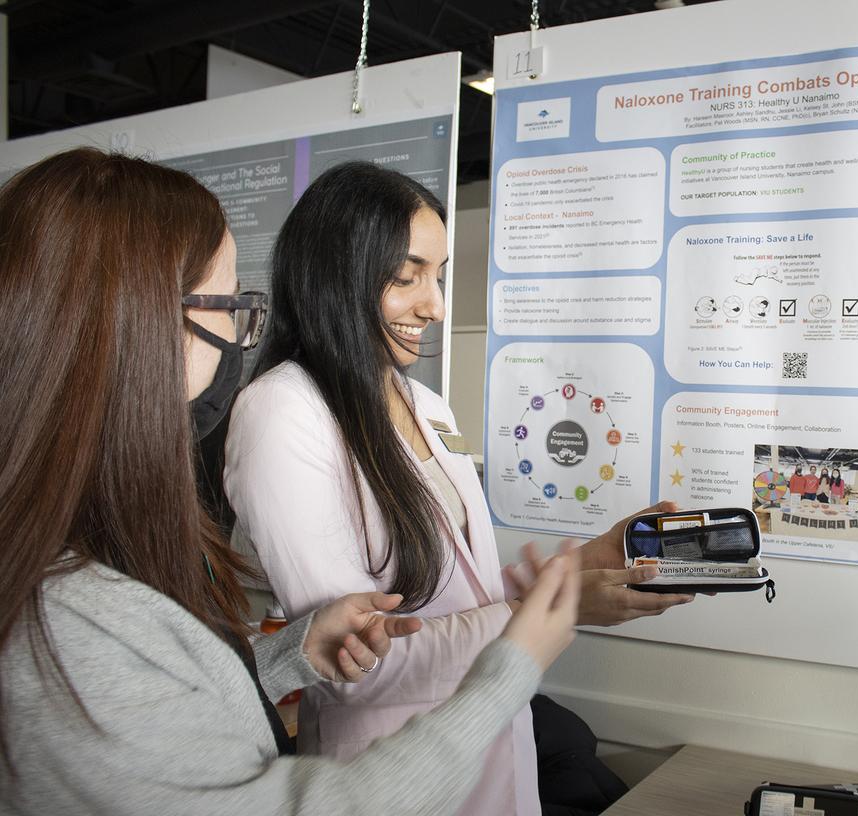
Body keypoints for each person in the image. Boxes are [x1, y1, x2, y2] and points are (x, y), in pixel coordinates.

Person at [0, 148, 579, 815]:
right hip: (392, 762)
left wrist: (290, 655)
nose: (436, 306)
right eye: (228, 306)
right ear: (131, 326)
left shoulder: (91, 572)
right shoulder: (73, 621)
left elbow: (174, 691)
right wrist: (522, 644)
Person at [223, 161, 693, 815]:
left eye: (438, 275)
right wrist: (555, 614)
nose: (436, 305)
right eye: (406, 276)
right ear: (338, 275)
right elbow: (359, 663)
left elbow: (461, 593)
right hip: (390, 772)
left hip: (497, 741)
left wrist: (587, 563)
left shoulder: (428, 406)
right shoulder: (281, 412)